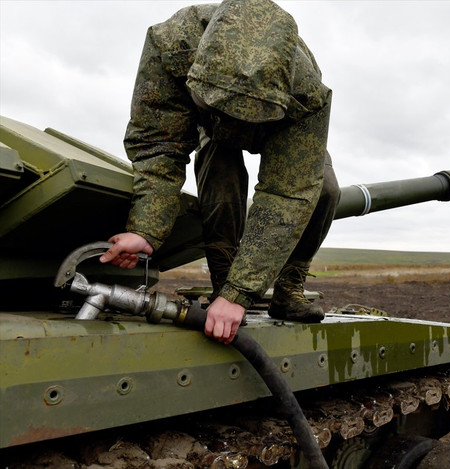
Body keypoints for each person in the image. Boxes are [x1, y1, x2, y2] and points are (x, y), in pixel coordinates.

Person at [99, 0, 340, 345]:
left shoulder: (307, 94)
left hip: (275, 122)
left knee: (326, 190)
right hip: (206, 122)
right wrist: (146, 229)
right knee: (219, 173)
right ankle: (222, 277)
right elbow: (160, 146)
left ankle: (289, 285)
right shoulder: (171, 45)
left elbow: (287, 193)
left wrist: (240, 294)